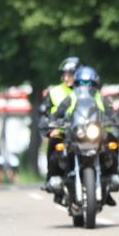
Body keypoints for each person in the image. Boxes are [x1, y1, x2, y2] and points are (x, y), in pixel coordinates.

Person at [47, 66, 119, 205]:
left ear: (95, 84)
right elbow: (60, 111)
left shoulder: (100, 98)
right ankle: (56, 178)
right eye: (82, 83)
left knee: (113, 141)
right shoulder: (72, 97)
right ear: (77, 84)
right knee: (58, 147)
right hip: (76, 132)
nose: (85, 86)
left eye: (89, 83)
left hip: (96, 132)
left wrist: (116, 118)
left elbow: (110, 111)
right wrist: (53, 120)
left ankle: (112, 174)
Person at [38, 57, 79, 203]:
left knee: (109, 141)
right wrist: (50, 130)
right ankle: (52, 178)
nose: (67, 77)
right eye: (65, 74)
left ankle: (107, 178)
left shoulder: (88, 91)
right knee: (54, 142)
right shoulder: (55, 91)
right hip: (62, 131)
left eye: (71, 74)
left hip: (84, 132)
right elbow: (44, 112)